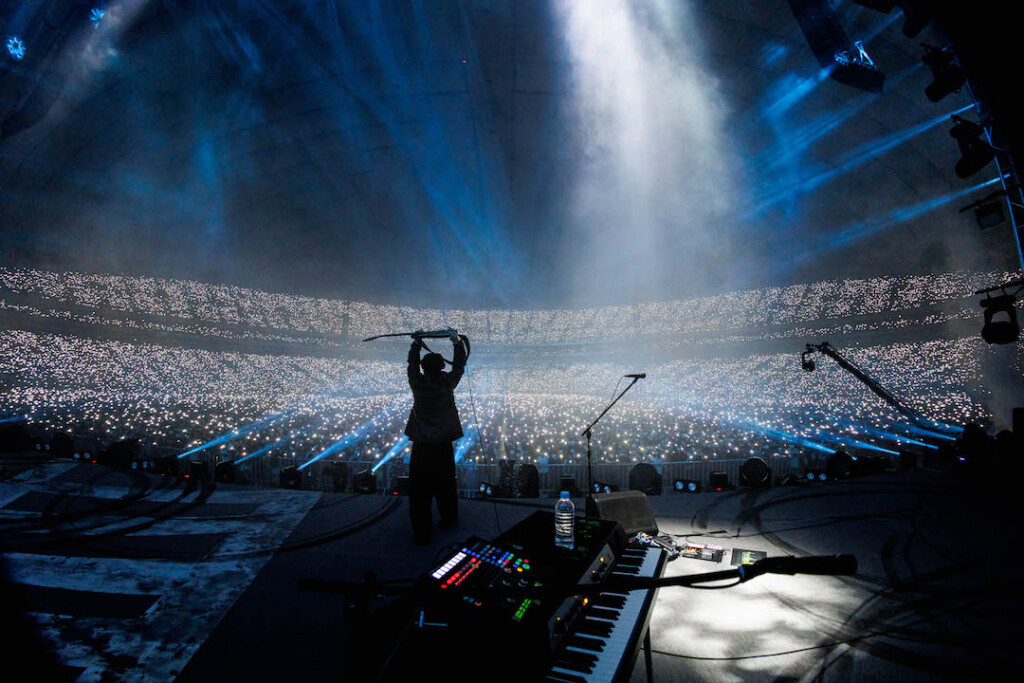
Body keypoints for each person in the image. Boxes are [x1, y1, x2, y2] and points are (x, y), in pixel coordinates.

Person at [405, 332, 467, 544]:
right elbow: (459, 366)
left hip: (422, 445)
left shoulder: (417, 384)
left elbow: (411, 366)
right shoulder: (447, 383)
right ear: (441, 367)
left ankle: (421, 530)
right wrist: (456, 342)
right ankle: (448, 519)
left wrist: (416, 345)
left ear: (423, 368)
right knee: (446, 485)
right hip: (442, 443)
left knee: (419, 490)